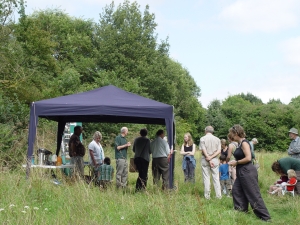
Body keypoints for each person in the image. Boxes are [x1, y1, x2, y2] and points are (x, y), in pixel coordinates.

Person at [228, 125, 271, 221]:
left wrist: (237, 162)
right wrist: (235, 162)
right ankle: (241, 211)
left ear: (236, 133)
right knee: (236, 190)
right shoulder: (239, 143)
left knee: (253, 194)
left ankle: (265, 217)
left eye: (231, 133)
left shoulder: (244, 143)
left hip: (247, 171)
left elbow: (248, 158)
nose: (230, 135)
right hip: (241, 171)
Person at [199, 126, 222, 199]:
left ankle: (207, 196)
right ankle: (218, 195)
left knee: (206, 177)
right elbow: (219, 151)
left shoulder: (202, 138)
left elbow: (203, 149)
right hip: (215, 159)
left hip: (205, 159)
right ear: (212, 131)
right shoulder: (217, 139)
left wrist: (208, 158)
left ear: (205, 131)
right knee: (216, 178)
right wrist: (211, 158)